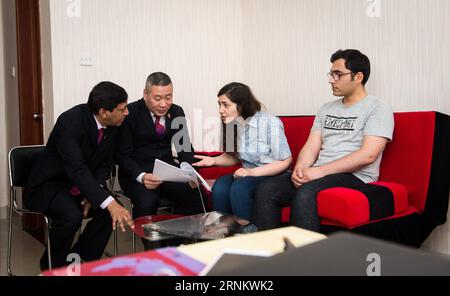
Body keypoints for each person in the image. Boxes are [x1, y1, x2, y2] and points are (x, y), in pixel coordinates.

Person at [253, 49, 394, 232]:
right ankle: (271, 256)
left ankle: (307, 259)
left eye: (338, 75)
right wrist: (301, 170)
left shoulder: (378, 108)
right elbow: (311, 147)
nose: (331, 80)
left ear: (358, 77)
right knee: (266, 190)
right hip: (320, 172)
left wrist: (319, 172)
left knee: (306, 193)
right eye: (331, 74)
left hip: (355, 176)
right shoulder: (326, 108)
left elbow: (368, 155)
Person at [24, 81, 134, 270]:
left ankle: (80, 261)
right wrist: (108, 201)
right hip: (51, 186)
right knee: (72, 216)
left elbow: (105, 164)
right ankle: (52, 267)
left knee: (109, 213)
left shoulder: (116, 124)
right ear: (103, 112)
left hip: (82, 185)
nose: (127, 113)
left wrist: (95, 195)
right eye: (122, 109)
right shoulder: (70, 122)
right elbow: (77, 169)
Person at [193, 82, 292, 222]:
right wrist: (214, 160)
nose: (221, 110)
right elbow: (234, 157)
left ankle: (247, 236)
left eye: (225, 105)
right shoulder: (231, 123)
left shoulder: (269, 122)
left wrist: (251, 172)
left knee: (240, 188)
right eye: (219, 104)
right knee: (220, 186)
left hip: (273, 174)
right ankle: (223, 233)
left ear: (241, 105)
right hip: (248, 174)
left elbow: (285, 160)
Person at [116, 72, 205, 227]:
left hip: (167, 172)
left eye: (168, 97)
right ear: (145, 94)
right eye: (157, 98)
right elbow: (122, 156)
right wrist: (142, 176)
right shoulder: (129, 113)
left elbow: (184, 147)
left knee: (197, 195)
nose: (164, 104)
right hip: (137, 174)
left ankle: (172, 241)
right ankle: (152, 248)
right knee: (147, 203)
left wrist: (190, 173)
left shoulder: (177, 112)